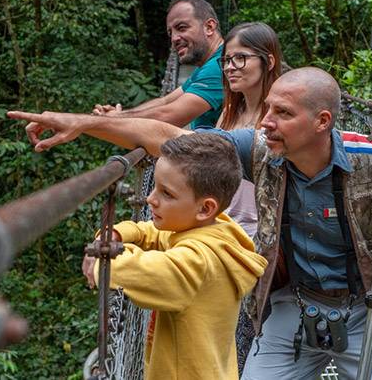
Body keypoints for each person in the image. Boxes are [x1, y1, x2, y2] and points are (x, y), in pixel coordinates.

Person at [8, 66, 372, 380]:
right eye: (268, 110)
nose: (266, 122)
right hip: (294, 305)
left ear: (323, 121)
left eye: (282, 113)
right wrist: (81, 124)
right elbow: (169, 139)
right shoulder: (261, 148)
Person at [84, 133, 267, 380]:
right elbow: (155, 233)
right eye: (155, 188)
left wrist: (103, 259)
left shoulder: (198, 261)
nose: (150, 199)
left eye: (166, 194)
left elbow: (144, 272)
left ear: (205, 208)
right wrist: (116, 233)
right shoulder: (216, 230)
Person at [215, 22, 283, 374]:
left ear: (268, 61)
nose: (230, 68)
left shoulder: (281, 116)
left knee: (244, 348)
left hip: (258, 248)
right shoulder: (230, 112)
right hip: (222, 237)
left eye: (240, 59)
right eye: (226, 61)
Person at [93, 0, 225, 129]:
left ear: (209, 27)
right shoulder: (207, 65)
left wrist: (116, 119)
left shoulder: (221, 65)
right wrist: (120, 114)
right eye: (170, 33)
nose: (174, 39)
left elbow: (169, 116)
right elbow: (165, 101)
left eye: (182, 28)